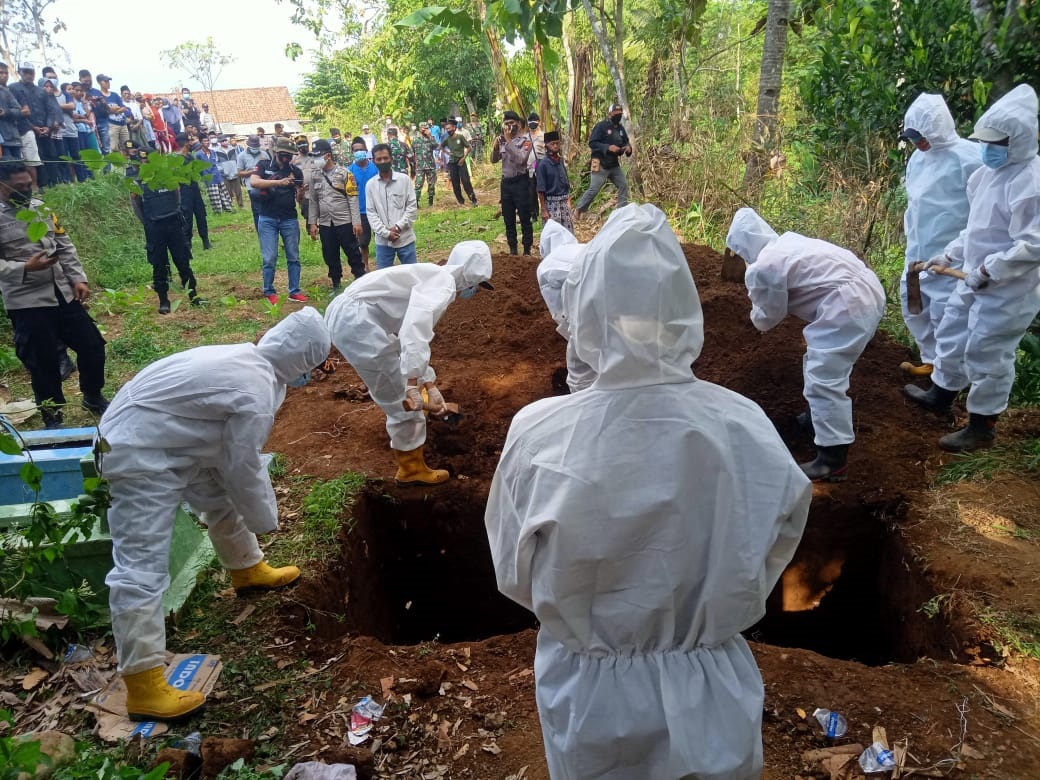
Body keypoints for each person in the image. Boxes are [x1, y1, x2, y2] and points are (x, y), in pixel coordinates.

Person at [485, 203, 811, 780]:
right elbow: (774, 545)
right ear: (684, 306)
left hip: (590, 700)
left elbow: (514, 575)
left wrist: (599, 618)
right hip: (712, 690)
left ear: (584, 310)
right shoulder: (746, 426)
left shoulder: (540, 433)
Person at [100, 308, 330, 722]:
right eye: (312, 366)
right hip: (139, 451)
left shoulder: (248, 358)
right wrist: (267, 520)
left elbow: (228, 469)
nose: (309, 375)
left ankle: (246, 569)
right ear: (301, 361)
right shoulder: (255, 389)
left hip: (172, 439)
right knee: (142, 563)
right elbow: (243, 469)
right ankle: (143, 682)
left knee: (218, 499)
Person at [904, 84, 1040, 452]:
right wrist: (950, 254)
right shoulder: (988, 174)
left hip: (1009, 288)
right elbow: (975, 227)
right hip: (974, 273)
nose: (988, 148)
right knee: (952, 330)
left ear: (1020, 140)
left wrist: (991, 270)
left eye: (997, 142)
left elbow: (1033, 244)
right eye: (986, 141)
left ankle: (982, 426)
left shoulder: (1031, 183)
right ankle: (941, 396)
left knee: (987, 351)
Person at [726, 207, 885, 481]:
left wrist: (751, 311)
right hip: (869, 290)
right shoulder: (789, 242)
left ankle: (832, 460)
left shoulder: (763, 267)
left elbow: (767, 319)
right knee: (822, 364)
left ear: (742, 247)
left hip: (846, 305)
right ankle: (816, 419)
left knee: (824, 377)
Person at [324, 241, 493, 485]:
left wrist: (429, 383)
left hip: (355, 317)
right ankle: (411, 471)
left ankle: (415, 438)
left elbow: (408, 339)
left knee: (403, 385)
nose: (474, 292)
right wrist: (413, 384)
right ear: (471, 278)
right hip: (358, 322)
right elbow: (414, 333)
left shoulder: (435, 277)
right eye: (477, 286)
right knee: (401, 399)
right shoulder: (443, 286)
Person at [0, 164, 109, 428]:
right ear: (3, 186)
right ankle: (52, 414)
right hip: (27, 301)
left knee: (92, 346)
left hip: (61, 292)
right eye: (20, 187)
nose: (26, 191)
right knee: (43, 361)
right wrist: (24, 268)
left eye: (29, 185)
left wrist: (77, 278)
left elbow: (64, 244)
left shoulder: (41, 208)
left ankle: (92, 396)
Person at [898, 93, 982, 377]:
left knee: (947, 318)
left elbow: (983, 212)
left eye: (922, 136)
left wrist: (961, 251)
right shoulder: (917, 160)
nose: (918, 143)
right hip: (918, 250)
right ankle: (930, 363)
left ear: (938, 127)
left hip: (952, 254)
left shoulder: (970, 158)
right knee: (914, 307)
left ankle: (950, 378)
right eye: (912, 138)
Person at [126, 142, 202, 314]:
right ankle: (164, 301)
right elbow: (137, 207)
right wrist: (149, 223)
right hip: (154, 227)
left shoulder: (168, 175)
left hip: (173, 223)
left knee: (183, 261)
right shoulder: (136, 181)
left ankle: (194, 296)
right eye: (143, 161)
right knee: (159, 265)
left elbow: (177, 196)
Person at [536, 221, 595, 392]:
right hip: (605, 301)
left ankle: (581, 403)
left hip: (582, 314)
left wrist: (570, 334)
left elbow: (558, 312)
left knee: (580, 371)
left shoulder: (546, 267)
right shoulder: (585, 248)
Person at [250, 137, 307, 304]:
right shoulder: (263, 165)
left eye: (290, 155)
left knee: (293, 256)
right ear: (275, 152)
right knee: (269, 257)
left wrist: (301, 192)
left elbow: (299, 198)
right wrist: (278, 182)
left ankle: (294, 291)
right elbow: (254, 182)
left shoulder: (295, 171)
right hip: (267, 218)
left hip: (289, 218)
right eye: (283, 154)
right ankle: (269, 291)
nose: (286, 158)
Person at [307, 139, 365, 291]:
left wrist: (356, 222)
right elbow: (313, 201)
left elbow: (352, 198)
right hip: (326, 223)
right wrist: (312, 222)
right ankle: (336, 284)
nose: (314, 160)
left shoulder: (345, 173)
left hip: (344, 221)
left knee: (353, 253)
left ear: (327, 156)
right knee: (330, 254)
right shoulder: (315, 176)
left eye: (317, 156)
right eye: (313, 156)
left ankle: (361, 282)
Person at [574, 103, 631, 219]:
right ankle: (579, 210)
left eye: (620, 113)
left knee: (623, 185)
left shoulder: (621, 129)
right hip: (600, 162)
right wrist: (608, 147)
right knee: (594, 188)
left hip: (613, 164)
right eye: (616, 113)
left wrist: (628, 148)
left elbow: (626, 142)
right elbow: (592, 143)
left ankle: (621, 213)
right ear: (610, 114)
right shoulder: (601, 126)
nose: (618, 115)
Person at [366, 143, 418, 269]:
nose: (382, 161)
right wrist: (385, 233)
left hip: (405, 238)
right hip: (383, 241)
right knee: (383, 278)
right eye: (379, 159)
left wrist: (398, 227)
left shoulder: (404, 180)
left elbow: (412, 208)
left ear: (391, 159)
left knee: (412, 274)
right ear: (373, 161)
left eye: (385, 158)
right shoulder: (370, 185)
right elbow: (371, 213)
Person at [491, 110, 534, 255]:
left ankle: (527, 250)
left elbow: (521, 159)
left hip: (521, 182)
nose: (509, 126)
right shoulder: (502, 140)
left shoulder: (526, 141)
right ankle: (513, 250)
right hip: (506, 184)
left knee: (524, 217)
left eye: (512, 123)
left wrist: (509, 141)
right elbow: (493, 160)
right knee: (508, 218)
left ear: (519, 124)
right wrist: (496, 148)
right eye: (506, 123)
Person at [175, 133, 212, 252]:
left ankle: (205, 241)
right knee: (187, 219)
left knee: (201, 216)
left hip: (194, 190)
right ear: (186, 142)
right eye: (189, 141)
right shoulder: (177, 159)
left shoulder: (190, 156)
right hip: (185, 192)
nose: (191, 143)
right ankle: (188, 244)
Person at [349, 137, 378, 269]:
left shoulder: (376, 168)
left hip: (378, 209)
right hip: (360, 212)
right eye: (356, 150)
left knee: (382, 239)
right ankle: (366, 266)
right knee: (363, 242)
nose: (359, 152)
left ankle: (382, 264)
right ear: (352, 152)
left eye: (361, 149)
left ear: (366, 150)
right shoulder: (349, 171)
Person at [536, 130, 573, 233]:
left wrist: (568, 200)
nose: (555, 146)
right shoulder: (543, 164)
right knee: (554, 234)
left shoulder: (560, 161)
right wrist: (543, 209)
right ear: (546, 145)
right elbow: (540, 189)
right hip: (551, 204)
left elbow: (566, 182)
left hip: (564, 202)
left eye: (557, 143)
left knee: (567, 232)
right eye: (552, 144)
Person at [440, 118, 477, 206]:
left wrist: (463, 158)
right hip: (452, 163)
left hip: (461, 162)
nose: (448, 130)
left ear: (454, 128)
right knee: (455, 183)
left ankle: (473, 200)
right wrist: (448, 152)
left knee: (466, 181)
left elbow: (469, 147)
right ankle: (460, 201)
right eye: (447, 129)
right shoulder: (447, 139)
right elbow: (441, 146)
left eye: (450, 128)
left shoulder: (460, 137)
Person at [238, 134, 270, 230]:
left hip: (264, 184)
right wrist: (252, 172)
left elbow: (270, 169)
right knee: (256, 210)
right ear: (249, 145)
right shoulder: (242, 156)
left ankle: (268, 228)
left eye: (257, 147)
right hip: (251, 186)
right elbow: (239, 172)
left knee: (267, 208)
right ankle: (259, 229)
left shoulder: (264, 154)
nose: (255, 148)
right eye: (253, 147)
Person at [412, 122, 439, 207]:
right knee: (418, 184)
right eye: (423, 128)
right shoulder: (415, 139)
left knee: (431, 184)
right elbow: (412, 152)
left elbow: (436, 146)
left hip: (430, 165)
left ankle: (430, 201)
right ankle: (416, 202)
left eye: (426, 128)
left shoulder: (431, 138)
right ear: (419, 129)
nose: (424, 130)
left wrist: (430, 136)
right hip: (420, 166)